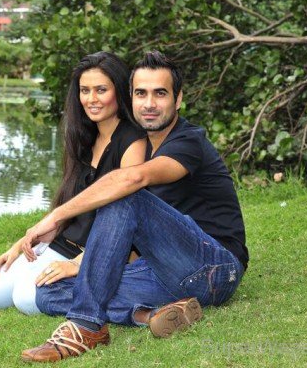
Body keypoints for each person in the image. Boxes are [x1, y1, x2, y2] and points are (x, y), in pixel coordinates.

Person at [19, 51, 249, 362]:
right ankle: (149, 315)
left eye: (160, 93)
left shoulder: (188, 142)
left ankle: (86, 326)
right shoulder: (143, 145)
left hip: (216, 267)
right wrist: (81, 265)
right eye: (141, 93)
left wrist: (58, 216)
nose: (149, 103)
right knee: (49, 291)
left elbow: (134, 180)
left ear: (178, 99)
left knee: (125, 194)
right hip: (166, 273)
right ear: (131, 97)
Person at [0, 51, 146, 315]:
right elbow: (66, 205)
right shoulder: (83, 136)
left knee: (26, 299)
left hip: (97, 254)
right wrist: (19, 247)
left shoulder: (133, 141)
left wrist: (79, 263)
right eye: (85, 90)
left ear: (119, 91)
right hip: (62, 243)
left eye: (101, 90)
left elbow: (128, 218)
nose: (92, 99)